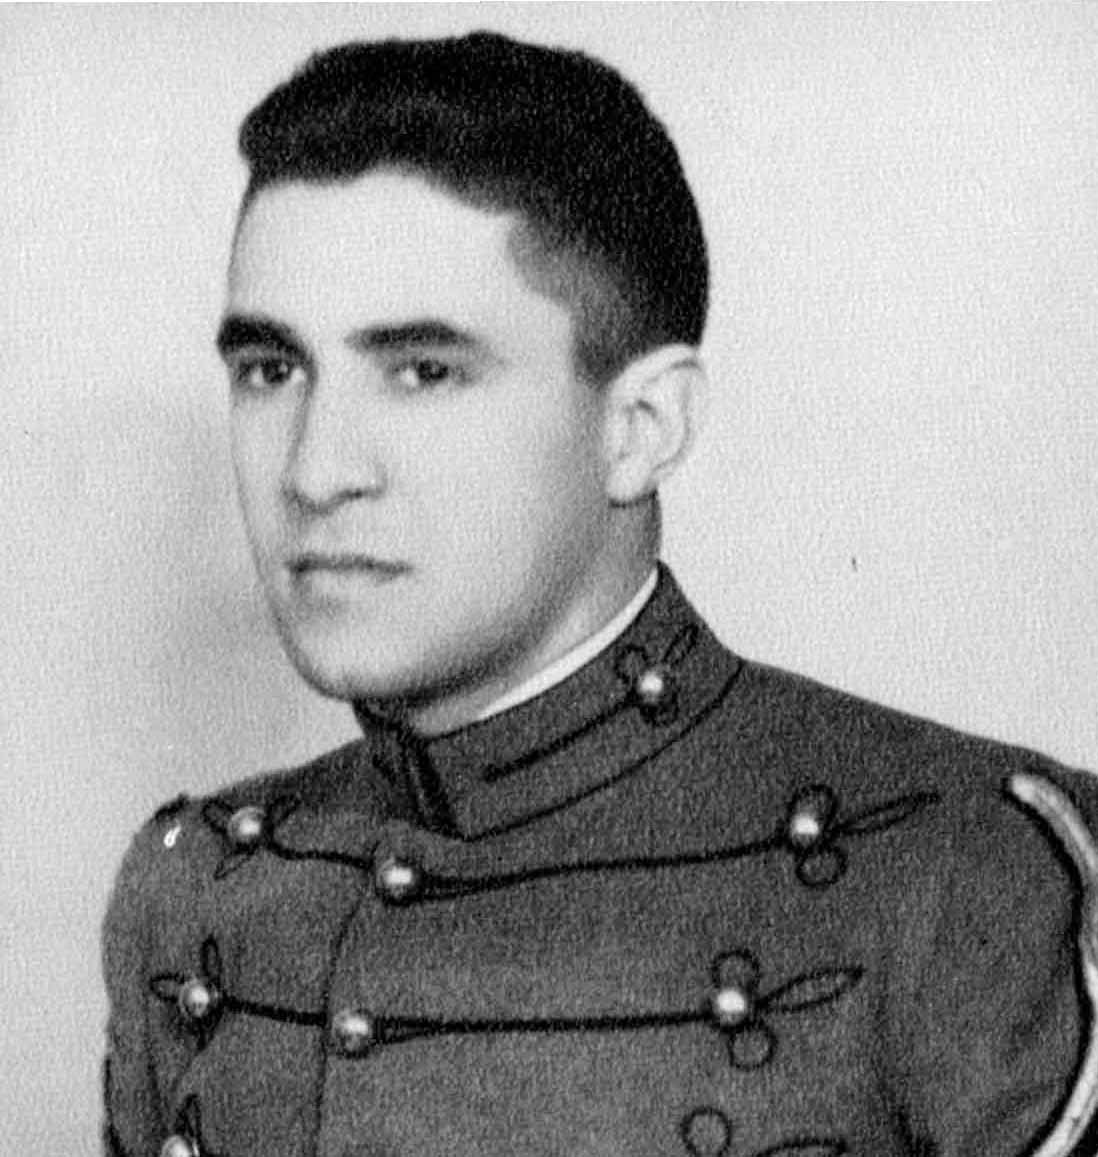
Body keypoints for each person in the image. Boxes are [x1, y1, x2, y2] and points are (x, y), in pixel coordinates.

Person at [102, 31, 1098, 1157]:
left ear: (641, 428)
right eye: (272, 370)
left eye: (424, 371)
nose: (315, 469)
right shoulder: (198, 887)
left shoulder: (972, 873)